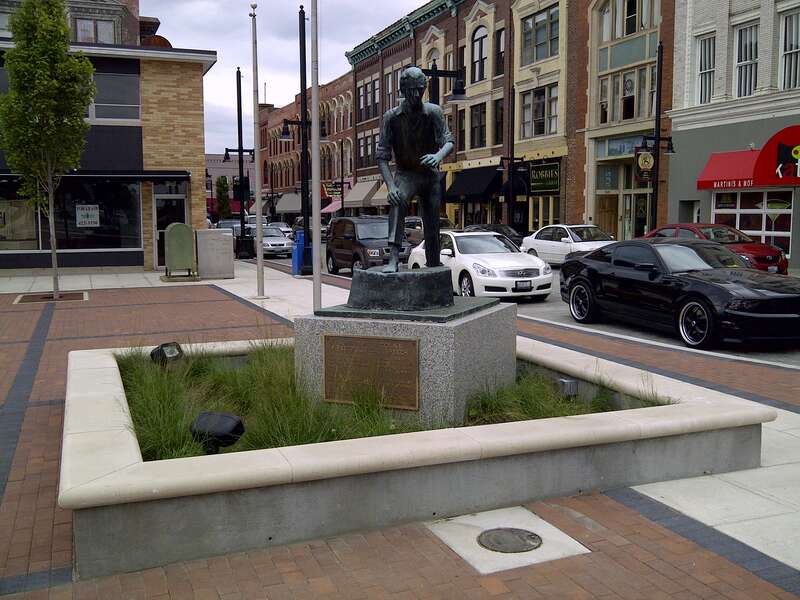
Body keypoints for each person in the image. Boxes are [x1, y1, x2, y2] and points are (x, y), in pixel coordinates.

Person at [376, 66, 455, 273]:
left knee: (432, 220)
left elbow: (448, 140)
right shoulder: (391, 118)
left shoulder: (434, 112)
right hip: (406, 175)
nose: (416, 95)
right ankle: (393, 258)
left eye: (420, 90)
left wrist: (438, 156)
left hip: (429, 175)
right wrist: (391, 186)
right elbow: (382, 156)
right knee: (398, 202)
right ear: (403, 90)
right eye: (412, 90)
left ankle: (434, 261)